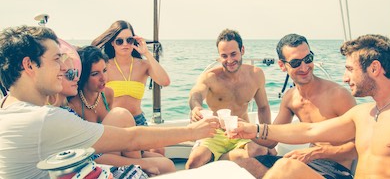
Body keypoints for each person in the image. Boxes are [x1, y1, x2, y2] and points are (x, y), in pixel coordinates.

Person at [0, 25, 219, 178]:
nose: (66, 68)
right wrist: (193, 132)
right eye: (57, 59)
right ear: (29, 66)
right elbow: (131, 139)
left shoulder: (8, 107)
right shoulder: (44, 119)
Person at [230, 34, 390, 179]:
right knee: (279, 168)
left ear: (374, 69)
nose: (345, 78)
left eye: (350, 69)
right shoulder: (363, 113)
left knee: (285, 170)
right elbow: (309, 130)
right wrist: (254, 130)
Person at [234, 33, 357, 178]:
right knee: (243, 165)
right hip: (306, 163)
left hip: (334, 170)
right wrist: (245, 128)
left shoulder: (338, 95)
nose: (304, 67)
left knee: (285, 166)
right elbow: (271, 141)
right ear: (282, 65)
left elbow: (361, 145)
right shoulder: (291, 98)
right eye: (296, 63)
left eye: (308, 59)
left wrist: (316, 153)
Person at [49, 42, 174, 176]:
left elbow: (118, 137)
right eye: (95, 74)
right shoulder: (72, 104)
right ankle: (137, 170)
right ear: (83, 76)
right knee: (121, 115)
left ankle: (136, 170)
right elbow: (91, 153)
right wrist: (142, 163)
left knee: (167, 164)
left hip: (115, 149)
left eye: (105, 70)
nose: (103, 78)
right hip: (93, 156)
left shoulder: (107, 94)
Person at [186, 29, 272, 169]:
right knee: (193, 163)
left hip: (242, 130)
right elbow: (196, 93)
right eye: (224, 56)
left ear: (242, 50)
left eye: (233, 54)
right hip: (215, 132)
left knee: (260, 151)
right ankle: (225, 158)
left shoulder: (256, 75)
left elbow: (263, 107)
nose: (230, 60)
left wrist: (267, 137)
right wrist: (196, 107)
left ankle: (218, 160)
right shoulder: (211, 77)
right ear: (219, 56)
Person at [91, 20, 170, 127]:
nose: (125, 44)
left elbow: (164, 81)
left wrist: (147, 53)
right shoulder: (105, 66)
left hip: (138, 122)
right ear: (112, 43)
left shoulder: (143, 65)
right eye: (119, 41)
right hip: (112, 122)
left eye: (129, 40)